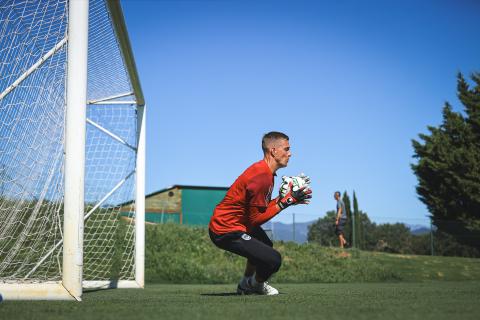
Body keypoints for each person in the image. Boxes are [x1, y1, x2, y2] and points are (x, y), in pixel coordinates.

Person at [208, 131, 312, 295]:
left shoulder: (266, 173)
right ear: (273, 151)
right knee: (273, 260)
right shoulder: (261, 176)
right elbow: (255, 219)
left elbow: (259, 209)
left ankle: (245, 284)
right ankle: (256, 285)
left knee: (265, 244)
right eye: (286, 149)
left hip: (238, 224)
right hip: (225, 229)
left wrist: (283, 199)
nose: (290, 153)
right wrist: (286, 201)